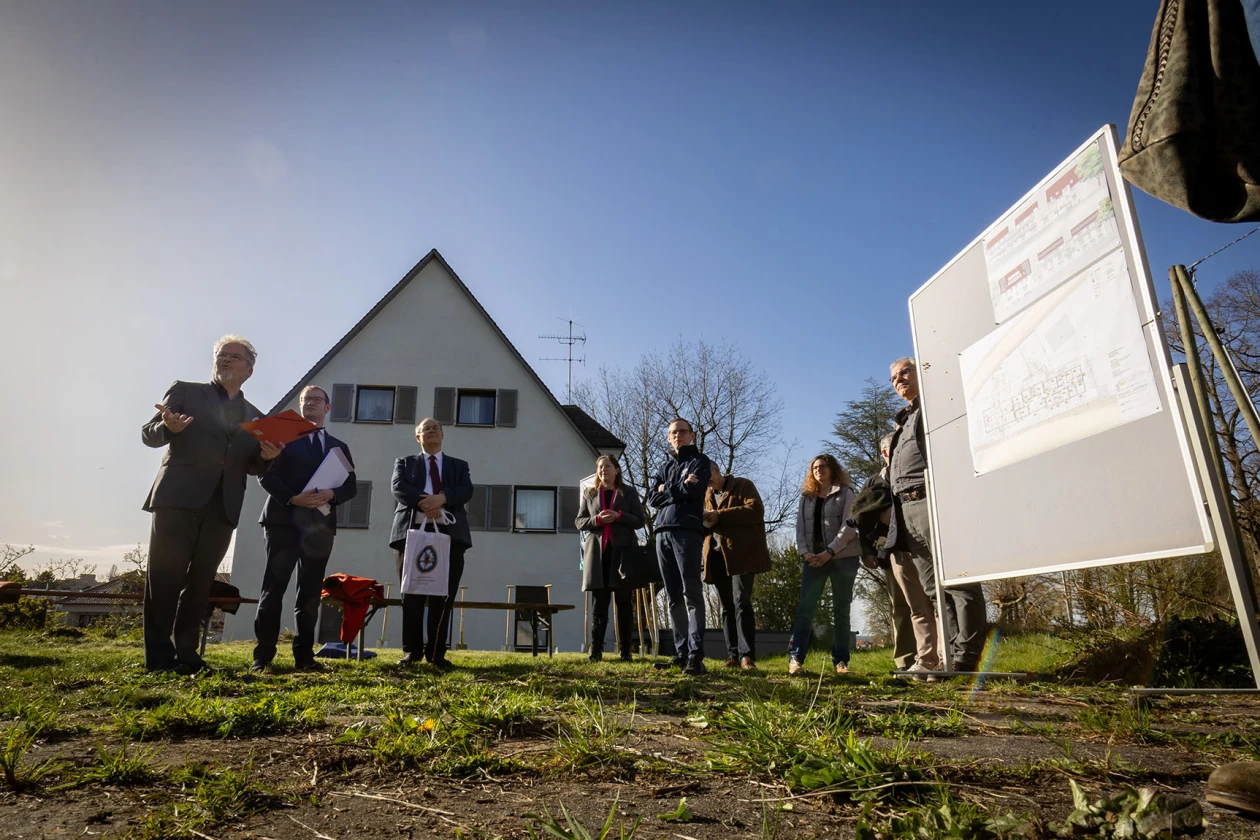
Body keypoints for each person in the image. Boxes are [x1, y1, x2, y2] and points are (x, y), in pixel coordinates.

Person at [141, 335, 281, 674]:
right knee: (164, 578)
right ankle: (159, 658)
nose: (225, 360)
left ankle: (187, 656)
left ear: (250, 369)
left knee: (201, 582)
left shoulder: (256, 417)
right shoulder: (186, 391)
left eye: (234, 356)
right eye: (221, 355)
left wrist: (267, 457)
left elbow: (252, 466)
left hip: (223, 506)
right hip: (177, 498)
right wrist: (168, 427)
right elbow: (149, 433)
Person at [887, 357, 987, 672]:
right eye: (893, 378)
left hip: (933, 500)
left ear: (921, 373)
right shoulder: (903, 418)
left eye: (905, 371)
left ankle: (966, 657)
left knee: (959, 579)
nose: (898, 379)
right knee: (933, 589)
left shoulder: (935, 408)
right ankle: (950, 657)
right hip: (905, 509)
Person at [252, 385, 357, 672]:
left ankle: (304, 657)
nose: (310, 403)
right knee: (273, 590)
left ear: (327, 407)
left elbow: (351, 485)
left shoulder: (339, 447)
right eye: (304, 399)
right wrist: (292, 497)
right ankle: (263, 656)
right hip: (283, 521)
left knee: (310, 594)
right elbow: (265, 476)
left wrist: (332, 495)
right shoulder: (282, 438)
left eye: (316, 399)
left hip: (320, 528)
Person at [389, 418, 473, 669]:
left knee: (443, 595)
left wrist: (442, 499)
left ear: (443, 435)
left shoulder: (459, 466)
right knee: (411, 593)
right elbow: (398, 488)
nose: (432, 430)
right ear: (418, 437)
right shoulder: (404, 463)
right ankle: (411, 651)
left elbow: (466, 490)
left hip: (450, 533)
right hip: (411, 532)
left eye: (436, 427)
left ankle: (437, 652)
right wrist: (426, 504)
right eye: (426, 428)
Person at [647, 418, 712, 675]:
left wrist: (667, 489)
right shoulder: (664, 466)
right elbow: (653, 497)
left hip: (687, 532)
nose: (678, 436)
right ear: (667, 437)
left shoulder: (700, 461)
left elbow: (694, 492)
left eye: (683, 432)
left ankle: (695, 656)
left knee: (692, 593)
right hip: (661, 533)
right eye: (673, 432)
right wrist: (678, 487)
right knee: (672, 596)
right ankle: (681, 652)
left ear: (692, 435)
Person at [789, 454, 861, 675]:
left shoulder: (846, 493)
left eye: (823, 466)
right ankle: (795, 659)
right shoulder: (806, 496)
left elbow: (850, 526)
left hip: (842, 558)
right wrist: (806, 554)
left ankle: (840, 662)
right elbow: (800, 528)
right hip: (814, 559)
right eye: (815, 467)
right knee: (805, 609)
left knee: (841, 609)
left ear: (832, 469)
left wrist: (830, 551)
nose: (819, 470)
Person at [575, 455, 645, 662]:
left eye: (607, 466)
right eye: (599, 467)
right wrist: (597, 519)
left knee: (624, 603)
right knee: (600, 604)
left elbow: (640, 520)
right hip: (598, 555)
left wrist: (620, 516)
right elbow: (579, 522)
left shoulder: (629, 492)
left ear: (617, 470)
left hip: (622, 555)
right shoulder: (590, 493)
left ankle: (625, 651)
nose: (603, 470)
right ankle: (596, 651)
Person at [703, 463, 771, 670]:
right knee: (727, 607)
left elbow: (755, 510)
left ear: (716, 470)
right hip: (716, 557)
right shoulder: (705, 494)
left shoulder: (742, 485)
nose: (707, 481)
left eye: (708, 475)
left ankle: (746, 656)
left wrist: (720, 515)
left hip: (741, 555)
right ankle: (732, 655)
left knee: (742, 602)